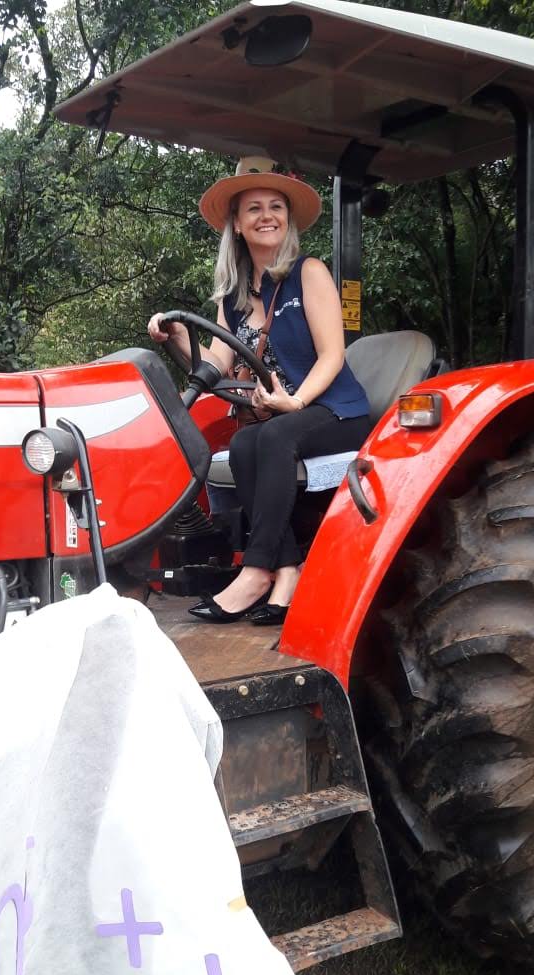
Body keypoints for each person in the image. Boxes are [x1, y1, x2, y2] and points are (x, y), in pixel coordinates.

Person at [148, 157, 370, 625]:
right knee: (245, 441)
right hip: (283, 419)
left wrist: (296, 401)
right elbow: (216, 364)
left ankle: (255, 571)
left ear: (287, 219)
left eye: (276, 207)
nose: (266, 216)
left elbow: (333, 355)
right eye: (254, 208)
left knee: (270, 435)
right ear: (237, 223)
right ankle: (286, 571)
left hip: (335, 410)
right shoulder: (234, 295)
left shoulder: (308, 272)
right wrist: (177, 335)